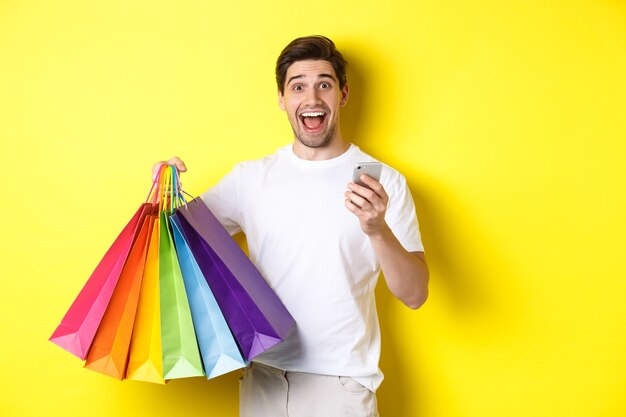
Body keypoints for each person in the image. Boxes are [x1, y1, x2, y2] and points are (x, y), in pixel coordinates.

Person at [154, 35, 429, 417]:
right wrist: (165, 190)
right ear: (282, 99)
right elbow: (177, 240)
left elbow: (414, 294)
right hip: (262, 379)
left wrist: (377, 229)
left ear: (343, 95)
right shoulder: (250, 179)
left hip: (341, 385)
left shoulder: (385, 184)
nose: (312, 98)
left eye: (324, 85)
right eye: (298, 86)